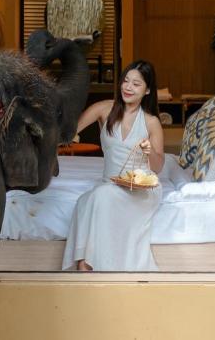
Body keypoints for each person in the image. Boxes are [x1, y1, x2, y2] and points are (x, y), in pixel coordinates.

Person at [62, 60, 165, 272]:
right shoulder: (103, 109)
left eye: (136, 84)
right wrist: (66, 134)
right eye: (126, 81)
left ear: (147, 91)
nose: (128, 87)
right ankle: (85, 265)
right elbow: (70, 130)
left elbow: (157, 167)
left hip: (141, 190)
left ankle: (88, 267)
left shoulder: (151, 122)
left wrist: (149, 152)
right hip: (111, 184)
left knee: (100, 196)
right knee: (85, 200)